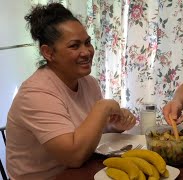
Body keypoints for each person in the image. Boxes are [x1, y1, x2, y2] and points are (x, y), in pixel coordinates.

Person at [6, 3, 136, 180]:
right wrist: (103, 107)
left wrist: (111, 126)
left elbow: (85, 135)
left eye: (87, 42)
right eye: (75, 46)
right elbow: (74, 156)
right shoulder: (36, 94)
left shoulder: (88, 82)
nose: (87, 52)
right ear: (48, 53)